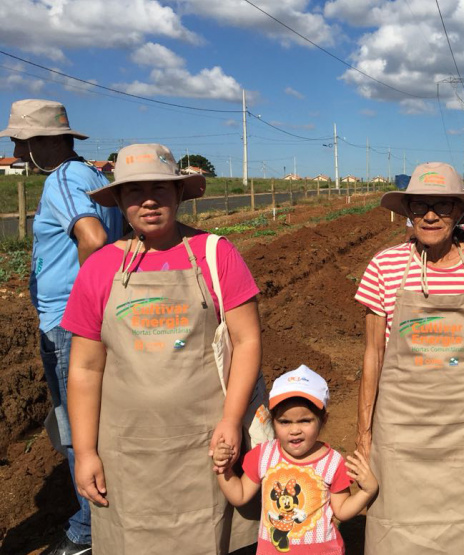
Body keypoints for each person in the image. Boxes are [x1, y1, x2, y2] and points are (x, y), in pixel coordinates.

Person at [64, 143, 264, 553]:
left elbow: (247, 341)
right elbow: (85, 368)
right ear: (119, 199)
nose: (149, 201)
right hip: (127, 453)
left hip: (206, 444)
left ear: (179, 195)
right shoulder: (99, 268)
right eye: (135, 191)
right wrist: (85, 452)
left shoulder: (216, 254)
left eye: (161, 188)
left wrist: (230, 419)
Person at [354, 162, 464, 553]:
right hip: (400, 430)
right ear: (407, 211)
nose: (429, 215)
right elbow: (373, 357)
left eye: (441, 205)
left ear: (459, 211)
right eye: (419, 206)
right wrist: (364, 436)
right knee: (395, 526)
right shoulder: (384, 266)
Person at [1, 99, 123, 555]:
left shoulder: (63, 180)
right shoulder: (95, 177)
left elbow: (93, 239)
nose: (15, 149)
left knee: (78, 431)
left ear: (44, 142)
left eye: (19, 140)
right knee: (99, 425)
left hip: (67, 325)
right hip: (81, 322)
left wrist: (89, 312)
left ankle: (87, 534)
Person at [212, 365, 378, 554]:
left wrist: (367, 491)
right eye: (285, 422)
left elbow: (342, 510)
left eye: (305, 421)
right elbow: (239, 495)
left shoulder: (332, 462)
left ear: (323, 420)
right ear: (272, 421)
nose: (294, 430)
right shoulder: (264, 455)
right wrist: (223, 468)